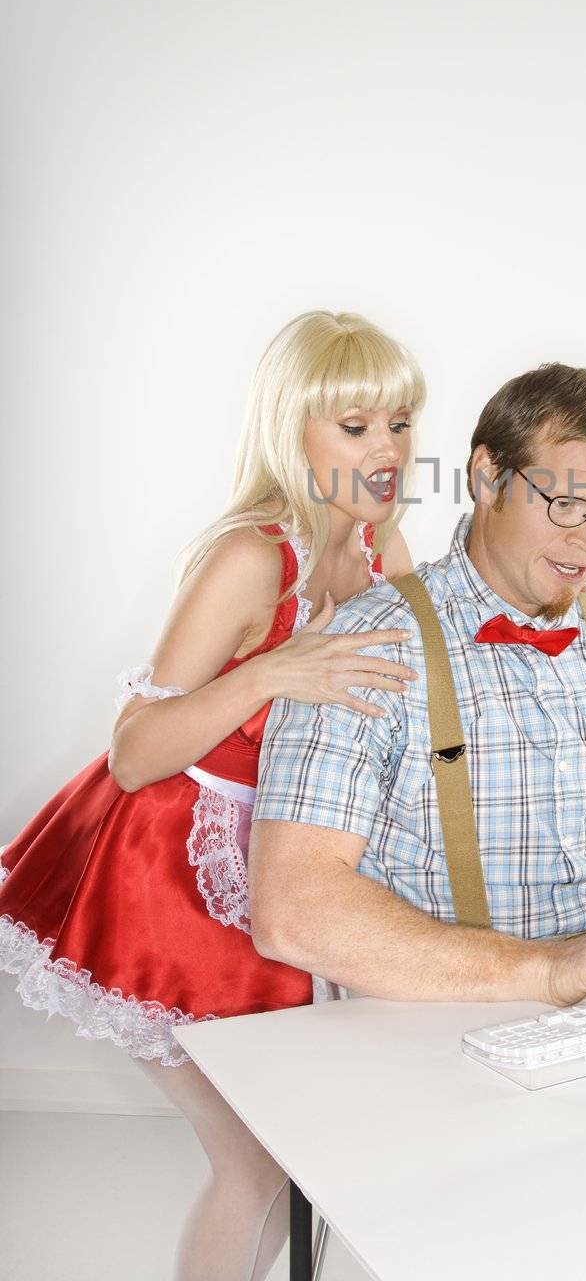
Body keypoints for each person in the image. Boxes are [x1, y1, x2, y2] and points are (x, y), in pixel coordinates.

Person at [0, 309, 425, 1281]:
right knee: (258, 1159)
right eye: (356, 425)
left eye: (400, 422)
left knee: (297, 1156)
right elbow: (134, 750)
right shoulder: (247, 556)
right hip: (166, 872)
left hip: (281, 859)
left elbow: (408, 694)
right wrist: (274, 671)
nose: (388, 448)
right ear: (294, 427)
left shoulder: (373, 547)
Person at [250, 361, 586, 1014]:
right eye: (563, 503)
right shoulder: (361, 650)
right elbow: (293, 911)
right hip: (421, 1038)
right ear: (486, 476)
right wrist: (544, 970)